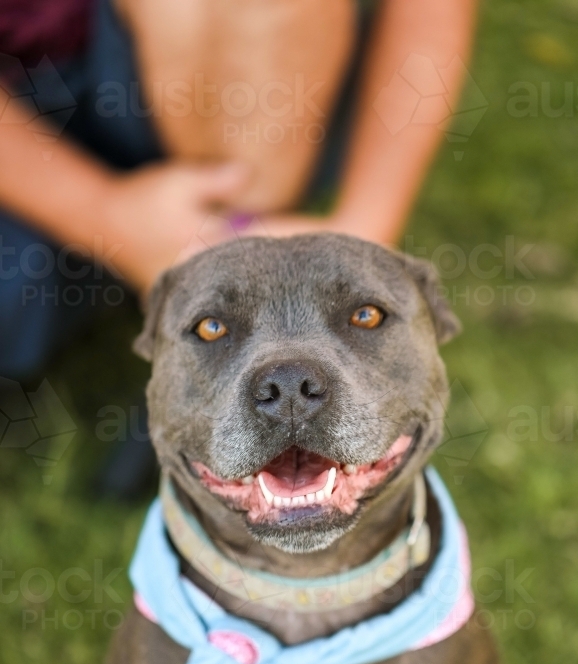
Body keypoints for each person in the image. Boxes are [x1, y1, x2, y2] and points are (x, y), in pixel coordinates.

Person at [0, 0, 477, 380]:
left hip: (213, 90)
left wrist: (368, 221)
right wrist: (103, 215)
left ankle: (235, 288)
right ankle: (211, 290)